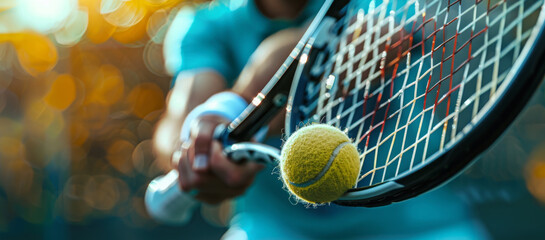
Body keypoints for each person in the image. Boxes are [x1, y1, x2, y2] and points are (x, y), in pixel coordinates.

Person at [154, 0, 490, 239]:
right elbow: (181, 118)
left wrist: (241, 107)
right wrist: (193, 152)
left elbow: (387, 29)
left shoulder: (391, 6)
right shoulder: (206, 26)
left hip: (423, 228)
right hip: (275, 230)